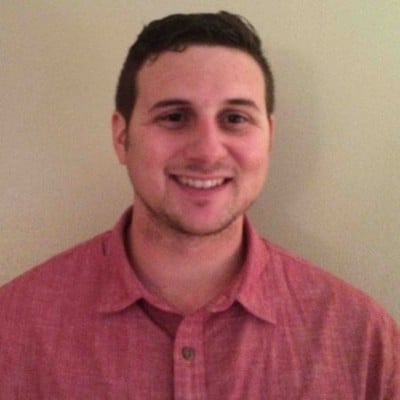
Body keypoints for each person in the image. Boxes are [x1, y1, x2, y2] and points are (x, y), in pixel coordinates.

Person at [0, 11, 398, 399]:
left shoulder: (363, 341)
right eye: (174, 117)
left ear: (269, 138)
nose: (207, 152)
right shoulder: (12, 330)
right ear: (122, 138)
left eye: (235, 118)